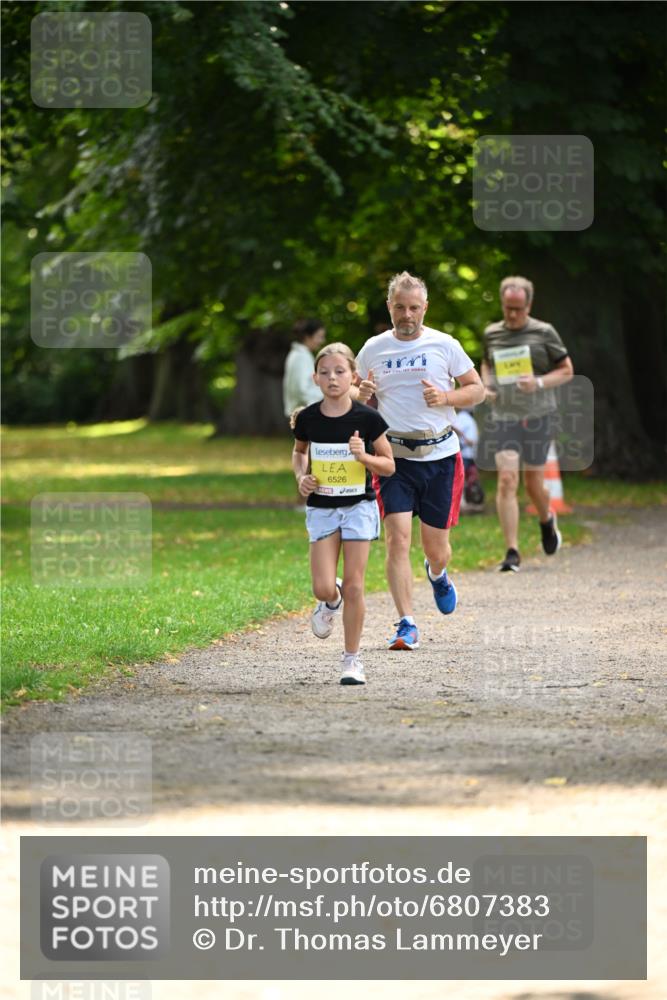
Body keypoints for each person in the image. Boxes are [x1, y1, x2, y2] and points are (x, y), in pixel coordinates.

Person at [356, 271, 485, 651]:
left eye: (414, 307)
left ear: (425, 308)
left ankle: (438, 572)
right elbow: (351, 390)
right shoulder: (374, 349)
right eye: (400, 307)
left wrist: (446, 399)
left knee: (435, 548)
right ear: (390, 307)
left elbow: (477, 390)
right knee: (397, 538)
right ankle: (406, 623)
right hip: (393, 457)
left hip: (441, 457)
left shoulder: (445, 344)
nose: (407, 315)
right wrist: (359, 391)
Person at [292, 343, 395, 685]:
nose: (332, 378)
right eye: (325, 372)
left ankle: (352, 660)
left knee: (355, 586)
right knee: (323, 588)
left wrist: (363, 458)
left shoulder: (367, 418)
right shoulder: (307, 418)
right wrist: (301, 477)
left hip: (358, 508)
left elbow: (389, 465)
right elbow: (299, 453)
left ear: (353, 376)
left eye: (339, 372)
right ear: (315, 378)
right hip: (322, 509)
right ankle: (329, 602)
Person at [480, 275, 574, 572]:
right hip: (503, 415)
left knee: (534, 485)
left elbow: (567, 370)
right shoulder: (492, 333)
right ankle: (512, 551)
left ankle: (546, 520)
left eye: (518, 309)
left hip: (537, 415)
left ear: (529, 305)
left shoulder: (544, 332)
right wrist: (487, 385)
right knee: (507, 479)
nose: (512, 314)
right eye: (508, 308)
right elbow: (486, 363)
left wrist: (538, 382)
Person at [282, 319, 326, 418]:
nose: (322, 341)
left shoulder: (300, 355)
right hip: (305, 412)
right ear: (307, 337)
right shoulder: (301, 357)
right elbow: (302, 389)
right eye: (319, 337)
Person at [453, 409, 485, 510]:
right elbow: (454, 428)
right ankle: (460, 504)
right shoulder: (462, 416)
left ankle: (469, 501)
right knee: (460, 479)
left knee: (472, 479)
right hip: (465, 454)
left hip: (471, 455)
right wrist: (465, 439)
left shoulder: (470, 418)